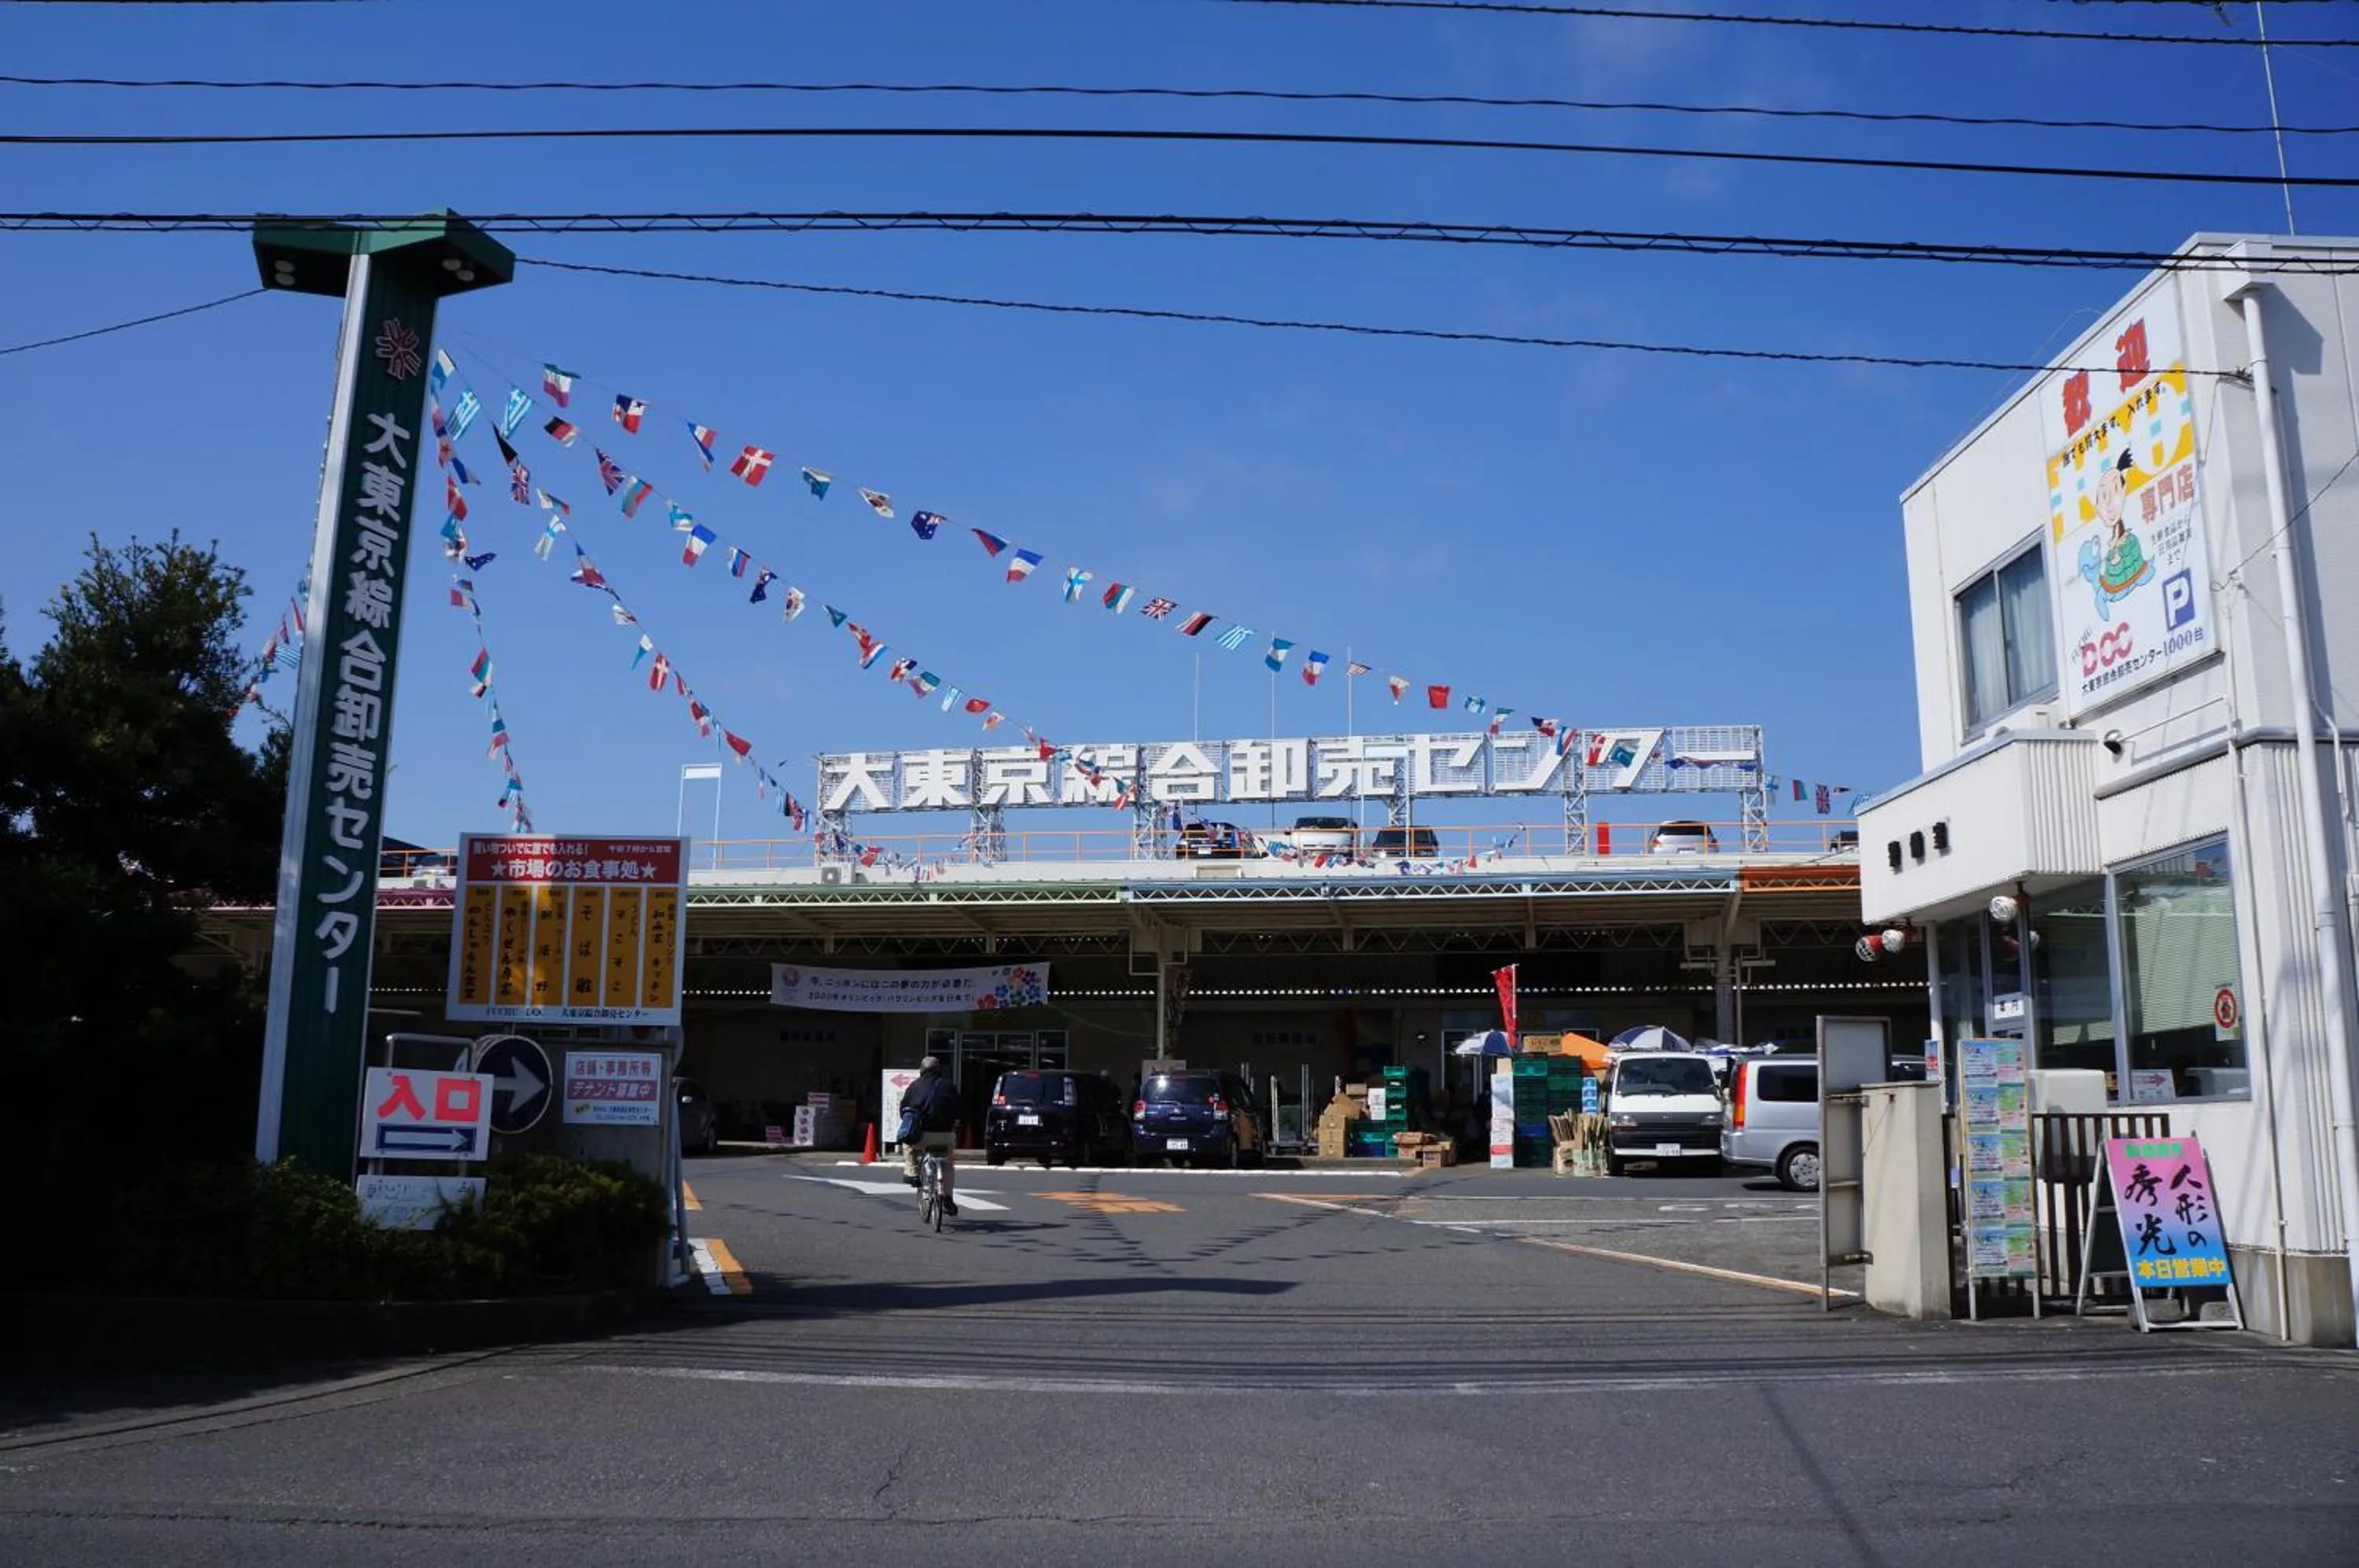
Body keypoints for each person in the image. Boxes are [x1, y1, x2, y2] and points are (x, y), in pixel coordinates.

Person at [898, 1055, 961, 1216]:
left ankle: (912, 1171)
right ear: (938, 1070)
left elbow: (904, 1110)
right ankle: (947, 1196)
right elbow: (961, 1110)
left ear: (922, 1070)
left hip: (922, 1136)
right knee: (948, 1162)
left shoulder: (914, 1086)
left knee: (909, 1144)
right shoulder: (949, 1086)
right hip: (945, 1136)